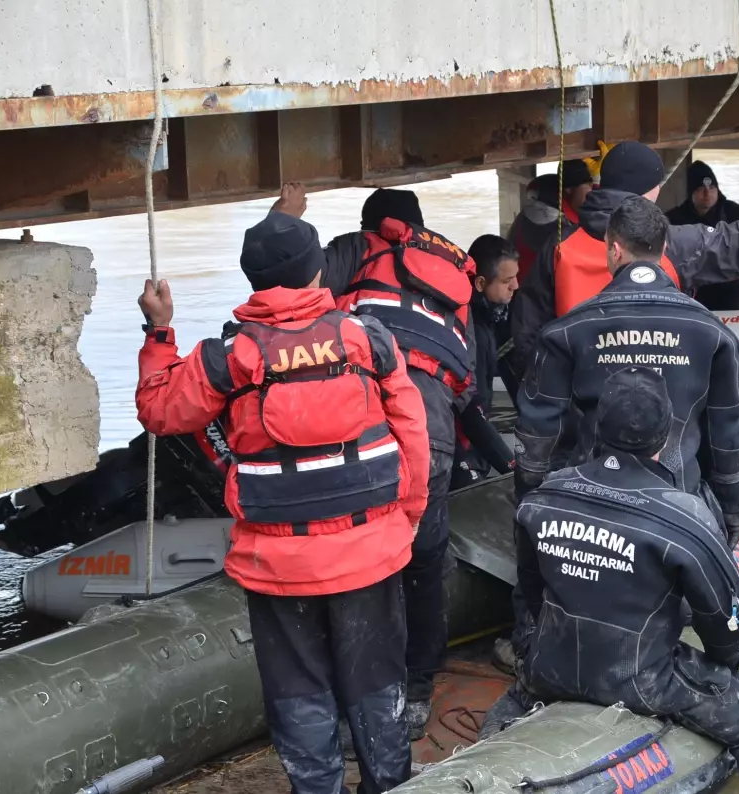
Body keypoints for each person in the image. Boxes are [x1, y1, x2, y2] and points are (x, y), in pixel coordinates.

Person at [134, 210, 431, 794]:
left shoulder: (227, 357)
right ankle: (389, 785)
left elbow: (160, 411)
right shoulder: (368, 338)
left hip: (279, 568)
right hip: (370, 554)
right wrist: (405, 523)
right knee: (377, 687)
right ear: (318, 269)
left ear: (252, 280)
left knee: (300, 693)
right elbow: (413, 437)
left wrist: (159, 332)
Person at [483, 366, 739, 794]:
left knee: (500, 717)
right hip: (641, 679)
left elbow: (530, 594)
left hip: (548, 668)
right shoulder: (685, 516)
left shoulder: (544, 496)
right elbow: (727, 627)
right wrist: (723, 671)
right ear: (666, 435)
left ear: (598, 426)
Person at [270, 182, 483, 739]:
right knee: (424, 562)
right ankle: (414, 692)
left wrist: (286, 213)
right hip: (431, 430)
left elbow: (285, 282)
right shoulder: (452, 272)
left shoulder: (358, 249)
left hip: (365, 427)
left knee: (361, 562)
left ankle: (355, 699)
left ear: (371, 225)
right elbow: (467, 382)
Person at [509, 140, 739, 379]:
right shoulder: (669, 244)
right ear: (652, 190)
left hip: (579, 397)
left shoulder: (558, 248)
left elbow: (526, 332)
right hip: (655, 406)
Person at [515, 196, 739, 545]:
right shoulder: (713, 334)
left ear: (613, 249)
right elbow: (729, 438)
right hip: (680, 513)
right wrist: (730, 516)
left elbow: (538, 437)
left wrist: (531, 509)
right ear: (665, 248)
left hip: (587, 514)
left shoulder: (566, 331)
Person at [451, 234, 519, 490]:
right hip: (462, 447)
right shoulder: (474, 331)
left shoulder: (487, 317)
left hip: (473, 441)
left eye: (516, 277)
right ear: (480, 283)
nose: (516, 286)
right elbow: (470, 406)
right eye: (507, 281)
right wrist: (510, 464)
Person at [665, 160, 739, 310]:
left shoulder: (735, 213)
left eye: (712, 187)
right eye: (701, 188)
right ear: (690, 192)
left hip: (729, 291)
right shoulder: (674, 219)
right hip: (691, 294)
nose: (707, 194)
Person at [507, 160, 593, 282]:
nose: (592, 193)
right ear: (569, 189)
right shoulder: (548, 221)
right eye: (588, 186)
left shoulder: (552, 205)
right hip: (532, 291)